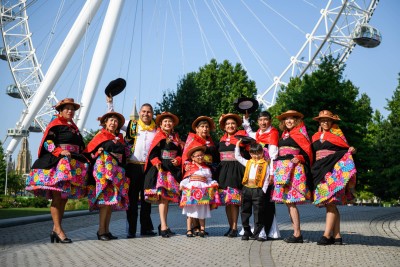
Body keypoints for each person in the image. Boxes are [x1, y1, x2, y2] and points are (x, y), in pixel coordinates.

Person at [26, 98, 89, 243]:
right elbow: (48, 142)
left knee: (64, 199)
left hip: (72, 164)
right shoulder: (55, 124)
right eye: (67, 108)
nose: (70, 111)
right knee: (56, 197)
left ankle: (55, 229)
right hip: (59, 164)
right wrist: (59, 151)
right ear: (60, 110)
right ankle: (59, 231)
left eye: (72, 109)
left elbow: (80, 146)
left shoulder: (74, 127)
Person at [107, 96, 157, 238]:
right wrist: (110, 103)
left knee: (147, 199)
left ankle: (146, 228)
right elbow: (115, 121)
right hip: (133, 167)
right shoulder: (132, 125)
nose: (146, 114)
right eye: (143, 111)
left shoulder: (156, 129)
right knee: (132, 199)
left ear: (152, 114)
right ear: (140, 113)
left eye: (148, 112)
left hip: (148, 168)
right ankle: (131, 229)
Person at [311, 110, 357, 245]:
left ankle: (326, 235)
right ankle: (337, 236)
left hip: (332, 169)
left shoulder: (338, 135)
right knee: (329, 204)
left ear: (332, 121)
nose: (325, 122)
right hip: (319, 169)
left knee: (330, 202)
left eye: (328, 120)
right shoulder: (314, 136)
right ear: (319, 121)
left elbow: (346, 148)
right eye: (322, 120)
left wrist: (351, 150)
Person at [84, 111, 130, 241]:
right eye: (111, 120)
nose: (113, 123)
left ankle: (107, 230)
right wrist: (97, 152)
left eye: (116, 121)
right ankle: (101, 230)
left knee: (110, 202)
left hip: (116, 172)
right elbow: (89, 152)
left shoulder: (120, 138)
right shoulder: (100, 135)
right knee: (105, 201)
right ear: (105, 122)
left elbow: (125, 154)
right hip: (104, 171)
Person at [273, 110, 313, 243]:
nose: (289, 121)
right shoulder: (283, 135)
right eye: (286, 119)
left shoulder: (300, 134)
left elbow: (308, 153)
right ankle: (296, 232)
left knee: (291, 202)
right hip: (282, 170)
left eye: (291, 119)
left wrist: (299, 157)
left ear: (296, 121)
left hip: (294, 170)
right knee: (288, 203)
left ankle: (297, 234)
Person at [143, 112, 182, 238]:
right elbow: (153, 154)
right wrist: (158, 164)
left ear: (173, 124)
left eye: (170, 121)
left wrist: (178, 160)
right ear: (160, 124)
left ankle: (163, 225)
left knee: (167, 199)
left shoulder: (176, 137)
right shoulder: (158, 136)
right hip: (161, 169)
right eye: (165, 121)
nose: (167, 123)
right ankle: (164, 227)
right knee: (162, 198)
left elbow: (182, 153)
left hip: (172, 169)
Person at [242, 111, 279, 240]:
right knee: (258, 204)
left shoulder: (273, 134)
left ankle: (265, 230)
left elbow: (273, 157)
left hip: (267, 172)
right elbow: (249, 132)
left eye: (265, 120)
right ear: (258, 122)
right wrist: (246, 120)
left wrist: (272, 174)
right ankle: (258, 229)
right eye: (260, 120)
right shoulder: (258, 134)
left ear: (270, 121)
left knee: (265, 203)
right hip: (257, 172)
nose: (263, 122)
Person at [182, 116, 219, 235]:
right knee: (194, 200)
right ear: (197, 129)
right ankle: (195, 227)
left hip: (207, 171)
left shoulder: (210, 141)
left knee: (202, 199)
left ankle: (200, 227)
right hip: (195, 172)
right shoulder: (192, 139)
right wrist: (187, 165)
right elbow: (186, 156)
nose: (205, 129)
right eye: (202, 127)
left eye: (207, 127)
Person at [217, 113, 249, 238]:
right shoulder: (221, 139)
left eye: (233, 123)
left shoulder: (241, 137)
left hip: (236, 170)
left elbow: (248, 151)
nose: (230, 126)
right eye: (227, 124)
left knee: (234, 201)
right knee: (227, 201)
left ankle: (235, 227)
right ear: (224, 127)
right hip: (223, 171)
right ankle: (230, 227)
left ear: (236, 125)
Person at [235, 140, 271, 241]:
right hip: (247, 189)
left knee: (258, 212)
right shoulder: (248, 162)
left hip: (258, 190)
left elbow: (267, 178)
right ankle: (246, 231)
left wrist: (263, 190)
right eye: (253, 153)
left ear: (262, 153)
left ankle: (259, 233)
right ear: (250, 154)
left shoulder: (265, 164)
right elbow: (238, 157)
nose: (256, 156)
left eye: (258, 153)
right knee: (245, 211)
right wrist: (237, 145)